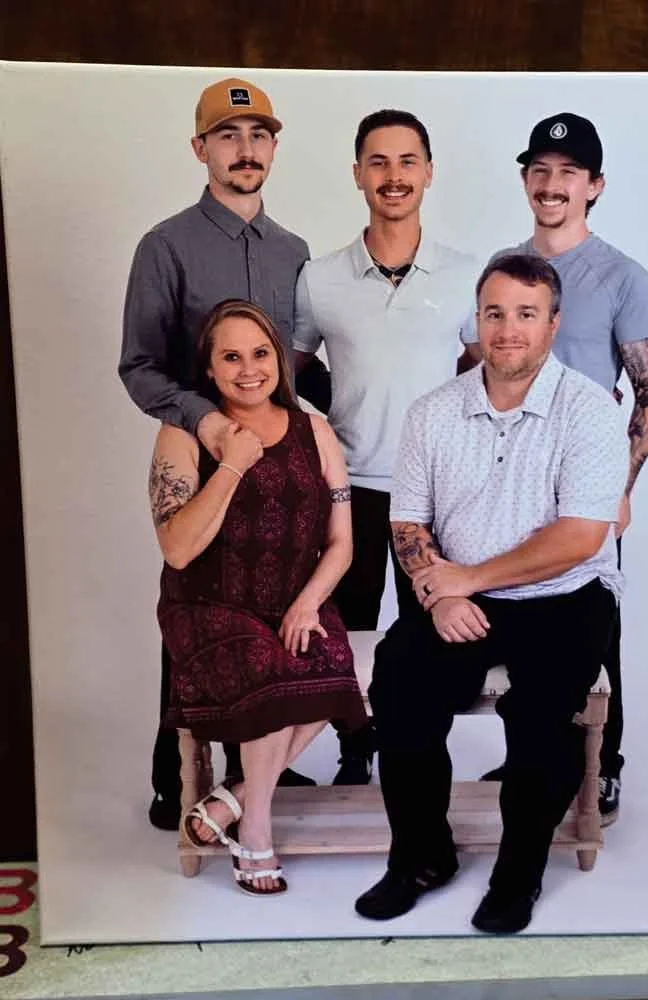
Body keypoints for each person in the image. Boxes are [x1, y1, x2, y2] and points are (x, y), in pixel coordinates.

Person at [353, 254, 628, 933]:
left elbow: (579, 538)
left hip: (565, 595)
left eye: (526, 314)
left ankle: (518, 873)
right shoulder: (433, 412)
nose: (508, 329)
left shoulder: (590, 411)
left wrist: (468, 578)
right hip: (459, 594)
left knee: (540, 717)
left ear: (553, 324)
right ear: (476, 320)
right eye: (495, 313)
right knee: (401, 682)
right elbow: (407, 523)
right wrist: (439, 594)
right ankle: (422, 857)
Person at [119, 77, 332, 829]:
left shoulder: (295, 252)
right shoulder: (165, 246)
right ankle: (172, 773)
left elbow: (294, 363)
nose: (245, 150)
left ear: (273, 147)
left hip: (282, 461)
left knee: (276, 605)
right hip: (203, 457)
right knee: (197, 607)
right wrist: (207, 423)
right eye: (228, 136)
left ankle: (260, 766)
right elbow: (139, 367)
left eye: (259, 136)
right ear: (200, 148)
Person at [480, 113, 648, 824]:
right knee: (514, 622)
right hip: (505, 483)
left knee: (595, 632)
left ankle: (603, 766)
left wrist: (621, 485)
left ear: (595, 185)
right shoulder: (505, 265)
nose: (552, 184)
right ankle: (527, 754)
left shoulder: (621, 275)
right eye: (540, 170)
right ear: (525, 179)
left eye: (568, 173)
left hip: (583, 484)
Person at [152, 298, 367, 894]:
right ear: (209, 368)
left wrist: (308, 602)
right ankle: (256, 831)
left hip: (294, 599)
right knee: (272, 674)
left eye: (261, 353)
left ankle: (233, 799)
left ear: (280, 358)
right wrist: (233, 465)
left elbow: (342, 543)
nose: (249, 369)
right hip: (209, 605)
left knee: (335, 668)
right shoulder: (182, 435)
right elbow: (176, 549)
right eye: (231, 357)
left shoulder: (314, 430)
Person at [292, 109, 482, 783]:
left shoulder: (465, 273)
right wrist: (331, 421)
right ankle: (355, 749)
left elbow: (482, 369)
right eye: (378, 162)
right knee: (349, 627)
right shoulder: (319, 278)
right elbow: (289, 369)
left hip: (437, 491)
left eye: (407, 161)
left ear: (429, 173)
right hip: (352, 487)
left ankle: (417, 751)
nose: (393, 176)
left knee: (434, 626)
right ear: (357, 175)